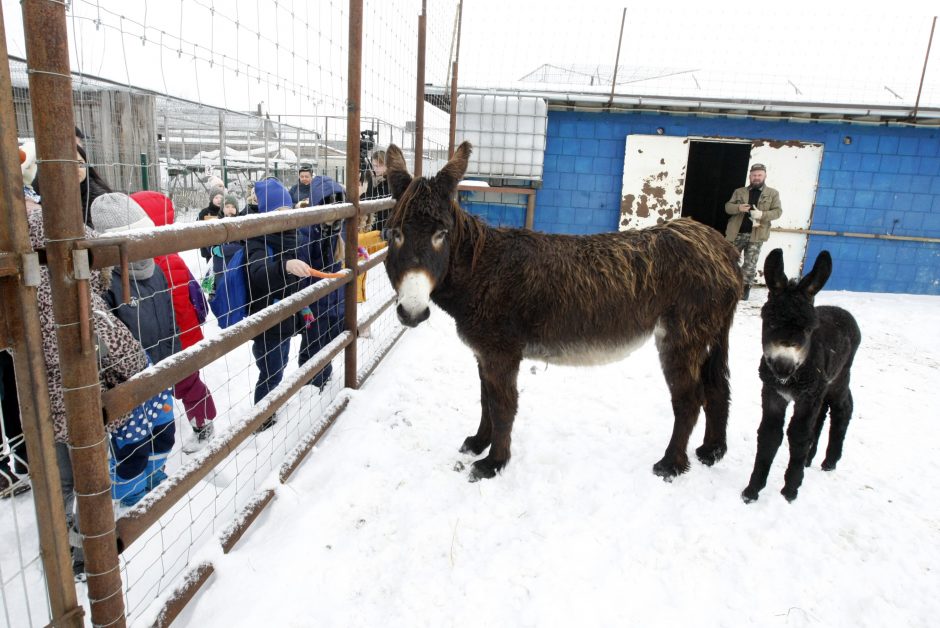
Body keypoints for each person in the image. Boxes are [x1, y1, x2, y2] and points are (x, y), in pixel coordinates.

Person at [24, 194, 148, 578]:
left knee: (57, 472)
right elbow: (125, 351)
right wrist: (135, 376)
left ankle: (60, 551)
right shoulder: (71, 284)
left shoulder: (28, 269)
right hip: (79, 386)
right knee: (87, 474)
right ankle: (87, 551)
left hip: (33, 388)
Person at [92, 193, 180, 505]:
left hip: (160, 370)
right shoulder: (106, 284)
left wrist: (176, 357)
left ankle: (155, 478)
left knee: (164, 433)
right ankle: (131, 499)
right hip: (128, 383)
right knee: (132, 445)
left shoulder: (155, 271)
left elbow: (169, 316)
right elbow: (105, 338)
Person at [132, 191, 218, 450]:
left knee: (186, 381)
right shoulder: (162, 253)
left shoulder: (154, 260)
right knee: (179, 380)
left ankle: (204, 423)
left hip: (177, 336)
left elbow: (179, 303)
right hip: (176, 334)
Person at [247, 178, 313, 431]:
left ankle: (269, 405)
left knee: (280, 363)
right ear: (265, 214)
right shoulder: (257, 238)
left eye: (288, 213)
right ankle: (261, 417)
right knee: (271, 368)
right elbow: (257, 271)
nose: (285, 220)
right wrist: (284, 266)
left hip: (286, 311)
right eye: (278, 215)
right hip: (268, 314)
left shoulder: (291, 234)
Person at [295, 176, 346, 389]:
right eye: (327, 203)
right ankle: (312, 383)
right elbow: (305, 267)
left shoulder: (341, 228)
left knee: (331, 339)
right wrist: (304, 304)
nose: (332, 210)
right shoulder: (307, 231)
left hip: (336, 299)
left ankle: (322, 375)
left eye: (337, 202)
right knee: (313, 342)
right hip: (315, 301)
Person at [724, 163, 783, 300]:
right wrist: (738, 208)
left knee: (750, 264)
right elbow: (727, 207)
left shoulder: (772, 193)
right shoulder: (739, 191)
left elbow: (778, 212)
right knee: (728, 260)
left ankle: (743, 291)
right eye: (754, 175)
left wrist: (762, 214)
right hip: (736, 233)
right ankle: (727, 287)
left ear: (765, 176)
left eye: (759, 175)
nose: (756, 178)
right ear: (750, 176)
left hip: (756, 234)